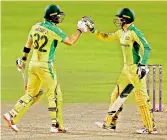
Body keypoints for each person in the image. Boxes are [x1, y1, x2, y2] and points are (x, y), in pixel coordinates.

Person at [3, 4, 88, 133]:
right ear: (52, 17)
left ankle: (11, 114)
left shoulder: (35, 27)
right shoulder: (54, 30)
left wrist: (23, 60)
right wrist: (80, 30)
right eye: (58, 16)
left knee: (31, 93)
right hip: (45, 66)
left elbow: (28, 46)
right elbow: (70, 41)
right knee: (52, 93)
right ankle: (55, 125)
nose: (59, 18)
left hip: (33, 64)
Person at [83, 8, 157, 134]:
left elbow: (147, 47)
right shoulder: (121, 32)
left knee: (141, 99)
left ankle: (150, 128)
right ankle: (110, 124)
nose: (118, 20)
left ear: (125, 19)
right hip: (125, 70)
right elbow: (106, 37)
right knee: (116, 95)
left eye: (120, 19)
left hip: (135, 69)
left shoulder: (134, 32)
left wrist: (143, 65)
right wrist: (93, 30)